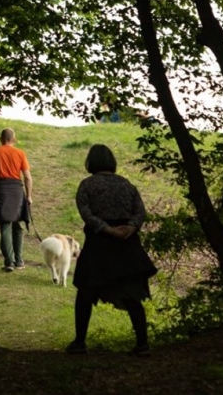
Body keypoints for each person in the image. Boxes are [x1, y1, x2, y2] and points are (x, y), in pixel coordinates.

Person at [66, 144, 157, 356]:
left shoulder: (87, 185)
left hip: (99, 244)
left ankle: (80, 342)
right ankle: (142, 344)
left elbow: (86, 213)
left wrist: (106, 229)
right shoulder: (127, 185)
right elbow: (140, 211)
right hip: (127, 244)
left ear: (90, 162)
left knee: (85, 292)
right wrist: (131, 227)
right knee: (132, 294)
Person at [0, 128, 33, 272]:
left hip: (2, 189)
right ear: (13, 139)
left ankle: (9, 261)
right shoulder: (20, 153)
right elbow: (28, 177)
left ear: (0, 138)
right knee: (17, 225)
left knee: (5, 225)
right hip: (17, 190)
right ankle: (19, 261)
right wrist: (28, 196)